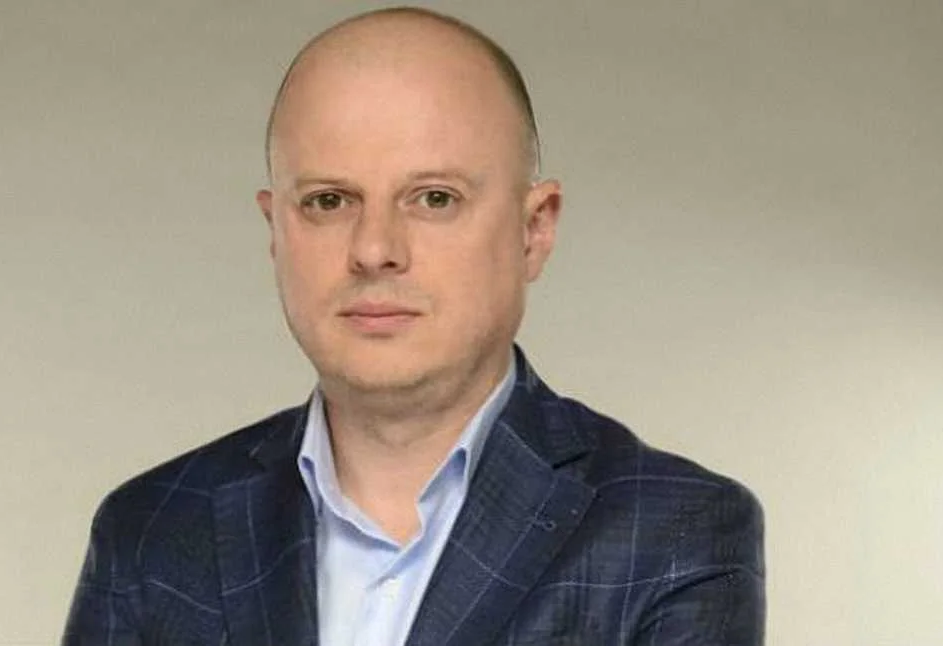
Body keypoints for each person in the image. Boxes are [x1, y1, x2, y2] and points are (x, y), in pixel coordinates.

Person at [63, 6, 764, 645]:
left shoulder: (675, 532)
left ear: (534, 231)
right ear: (275, 230)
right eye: (329, 201)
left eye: (434, 198)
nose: (374, 249)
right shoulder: (151, 531)